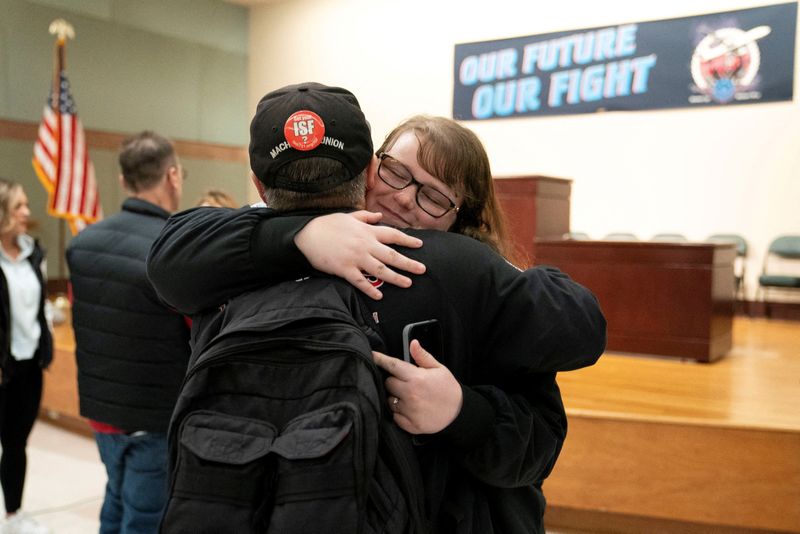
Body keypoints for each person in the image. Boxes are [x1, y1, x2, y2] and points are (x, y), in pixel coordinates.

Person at [148, 83, 606, 533]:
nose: (405, 197)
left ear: (462, 218)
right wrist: (301, 237)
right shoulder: (250, 253)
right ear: (371, 169)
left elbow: (551, 404)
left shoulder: (466, 274)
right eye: (396, 173)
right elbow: (170, 255)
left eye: (433, 195)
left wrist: (461, 410)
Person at [66, 131, 190, 534]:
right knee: (146, 519)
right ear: (173, 176)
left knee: (117, 500)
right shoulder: (172, 247)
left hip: (101, 411)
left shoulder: (82, 243)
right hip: (155, 415)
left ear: (123, 181)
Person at [0, 179, 52, 534]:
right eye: (19, 206)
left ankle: (14, 515)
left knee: (16, 441)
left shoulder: (35, 253)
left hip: (29, 363)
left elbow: (40, 306)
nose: (26, 213)